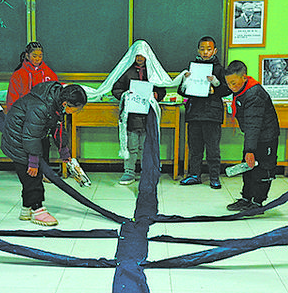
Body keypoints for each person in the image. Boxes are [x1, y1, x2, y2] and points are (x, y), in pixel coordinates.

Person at [1, 82, 87, 226]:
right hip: (18, 139)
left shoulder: (56, 104)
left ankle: (26, 209)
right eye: (76, 109)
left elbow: (58, 128)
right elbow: (31, 134)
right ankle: (37, 210)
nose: (76, 112)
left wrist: (64, 152)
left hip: (33, 137)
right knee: (32, 175)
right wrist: (33, 161)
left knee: (34, 174)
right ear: (66, 103)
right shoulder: (40, 107)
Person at [224, 60, 279, 212]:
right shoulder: (242, 90)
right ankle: (246, 198)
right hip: (254, 137)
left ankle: (257, 202)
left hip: (266, 137)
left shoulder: (254, 94)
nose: (231, 87)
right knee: (248, 167)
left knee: (262, 169)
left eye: (234, 83)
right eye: (228, 84)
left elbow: (253, 124)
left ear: (244, 77)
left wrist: (250, 150)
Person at [111, 41, 167, 185]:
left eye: (142, 55)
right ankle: (129, 172)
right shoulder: (126, 71)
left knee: (146, 146)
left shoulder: (152, 71)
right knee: (132, 145)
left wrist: (157, 95)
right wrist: (125, 95)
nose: (140, 58)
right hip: (132, 116)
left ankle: (146, 172)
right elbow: (116, 89)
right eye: (137, 55)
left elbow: (162, 89)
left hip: (148, 115)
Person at [178, 36, 230, 189]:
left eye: (209, 49)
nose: (205, 52)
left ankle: (214, 177)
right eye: (202, 49)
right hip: (194, 113)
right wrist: (185, 81)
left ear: (215, 51)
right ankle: (194, 175)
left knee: (213, 148)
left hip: (212, 114)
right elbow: (181, 91)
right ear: (198, 50)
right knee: (195, 148)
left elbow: (227, 90)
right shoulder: (192, 68)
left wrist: (216, 84)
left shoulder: (220, 69)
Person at [7, 42, 59, 179]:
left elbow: (55, 94)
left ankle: (45, 172)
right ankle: (29, 171)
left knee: (44, 144)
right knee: (28, 144)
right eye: (34, 56)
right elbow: (12, 98)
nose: (37, 59)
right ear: (27, 56)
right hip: (25, 116)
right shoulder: (18, 75)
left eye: (40, 56)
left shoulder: (49, 74)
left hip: (43, 116)